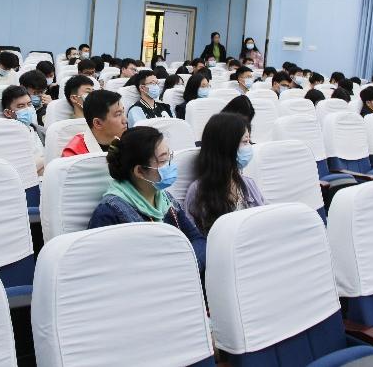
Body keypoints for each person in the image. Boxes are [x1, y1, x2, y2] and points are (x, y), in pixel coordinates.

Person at [88, 126, 206, 271]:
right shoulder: (109, 213)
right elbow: (103, 269)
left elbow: (198, 240)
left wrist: (181, 267)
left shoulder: (165, 199)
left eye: (169, 157)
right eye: (163, 160)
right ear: (139, 171)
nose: (170, 165)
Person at [184, 113, 265, 235]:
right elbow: (195, 238)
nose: (249, 147)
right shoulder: (198, 191)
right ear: (226, 146)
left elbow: (265, 219)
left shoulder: (248, 184)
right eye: (245, 141)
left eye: (249, 141)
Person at [62, 89, 126, 156]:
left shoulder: (126, 142)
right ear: (98, 123)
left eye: (123, 112)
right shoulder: (73, 154)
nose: (125, 121)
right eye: (118, 114)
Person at [1, 85, 44, 175]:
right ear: (8, 113)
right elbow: (21, 171)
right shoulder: (6, 140)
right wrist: (47, 159)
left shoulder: (42, 131)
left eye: (29, 104)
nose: (27, 109)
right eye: (21, 106)